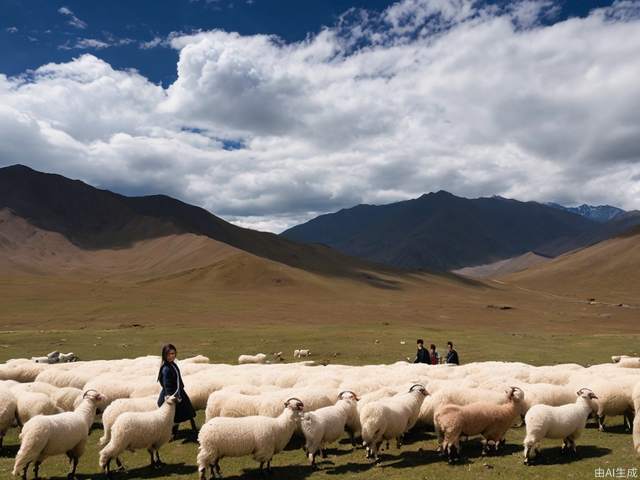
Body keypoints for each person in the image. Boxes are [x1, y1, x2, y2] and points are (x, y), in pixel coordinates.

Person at [157, 343, 197, 437]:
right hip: (172, 394)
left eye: (173, 353)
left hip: (179, 391)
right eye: (169, 354)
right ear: (164, 355)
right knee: (175, 415)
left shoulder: (172, 364)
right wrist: (171, 396)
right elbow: (167, 385)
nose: (171, 356)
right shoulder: (166, 368)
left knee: (187, 411)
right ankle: (171, 434)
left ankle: (193, 429)